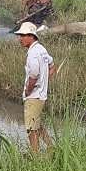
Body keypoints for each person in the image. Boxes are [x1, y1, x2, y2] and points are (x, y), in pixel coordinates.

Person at [14, 22, 55, 153]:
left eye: (23, 35)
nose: (20, 38)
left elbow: (34, 73)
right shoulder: (42, 49)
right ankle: (52, 149)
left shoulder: (32, 53)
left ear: (32, 36)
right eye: (20, 35)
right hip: (41, 95)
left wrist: (29, 90)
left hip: (34, 96)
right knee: (37, 124)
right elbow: (52, 66)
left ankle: (35, 157)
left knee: (31, 128)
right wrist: (44, 81)